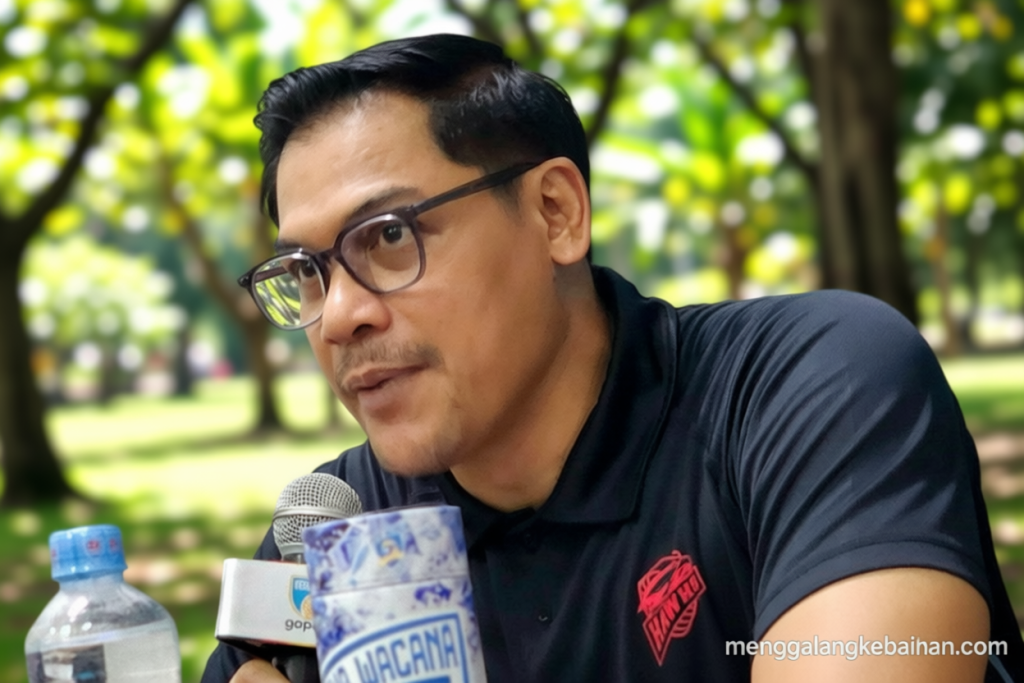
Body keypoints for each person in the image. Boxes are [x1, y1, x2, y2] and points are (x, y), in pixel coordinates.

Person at [202, 34, 1024, 682]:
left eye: (388, 236)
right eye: (305, 272)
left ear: (555, 212)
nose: (340, 315)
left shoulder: (809, 388)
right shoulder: (340, 532)